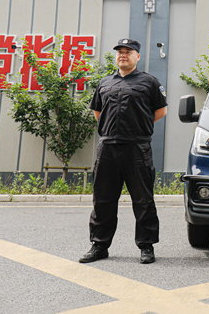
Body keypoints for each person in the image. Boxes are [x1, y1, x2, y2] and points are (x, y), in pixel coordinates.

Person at [79, 38, 168, 264]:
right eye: (120, 52)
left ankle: (146, 246)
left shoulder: (149, 82)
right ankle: (99, 246)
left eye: (128, 52)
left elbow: (161, 111)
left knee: (143, 199)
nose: (123, 55)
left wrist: (139, 127)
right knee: (103, 200)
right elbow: (98, 112)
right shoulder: (104, 83)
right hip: (108, 148)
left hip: (137, 147)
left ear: (137, 56)